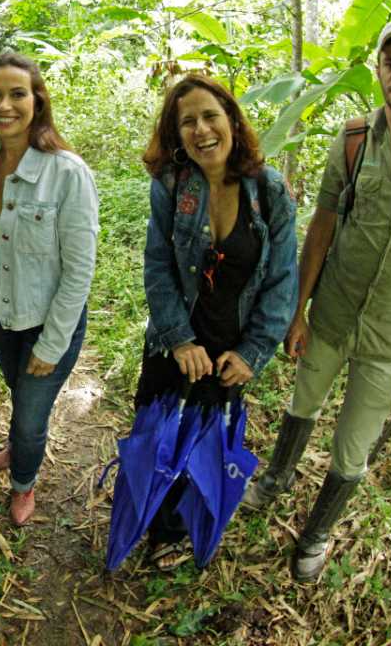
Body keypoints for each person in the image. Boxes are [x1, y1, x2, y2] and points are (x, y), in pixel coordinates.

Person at [242, 20, 391, 583]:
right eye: (389, 63)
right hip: (334, 312)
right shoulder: (350, 142)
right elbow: (320, 228)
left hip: (389, 336)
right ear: (379, 73)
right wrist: (296, 312)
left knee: (354, 446)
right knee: (305, 402)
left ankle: (317, 531)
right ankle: (277, 477)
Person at [136, 74, 298, 568]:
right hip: (176, 344)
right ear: (175, 133)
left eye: (210, 116)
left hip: (230, 347)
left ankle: (190, 529)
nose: (202, 130)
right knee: (158, 438)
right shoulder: (172, 186)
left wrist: (254, 352)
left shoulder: (268, 191)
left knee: (207, 444)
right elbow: (158, 264)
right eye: (187, 122)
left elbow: (283, 279)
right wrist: (179, 339)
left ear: (231, 119)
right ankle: (160, 531)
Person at [0, 52, 99, 526]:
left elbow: (79, 269)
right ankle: (19, 443)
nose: (4, 105)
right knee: (18, 392)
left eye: (17, 93)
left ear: (37, 101)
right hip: (2, 310)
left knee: (30, 416)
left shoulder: (67, 172)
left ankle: (24, 482)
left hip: (47, 317)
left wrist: (54, 341)